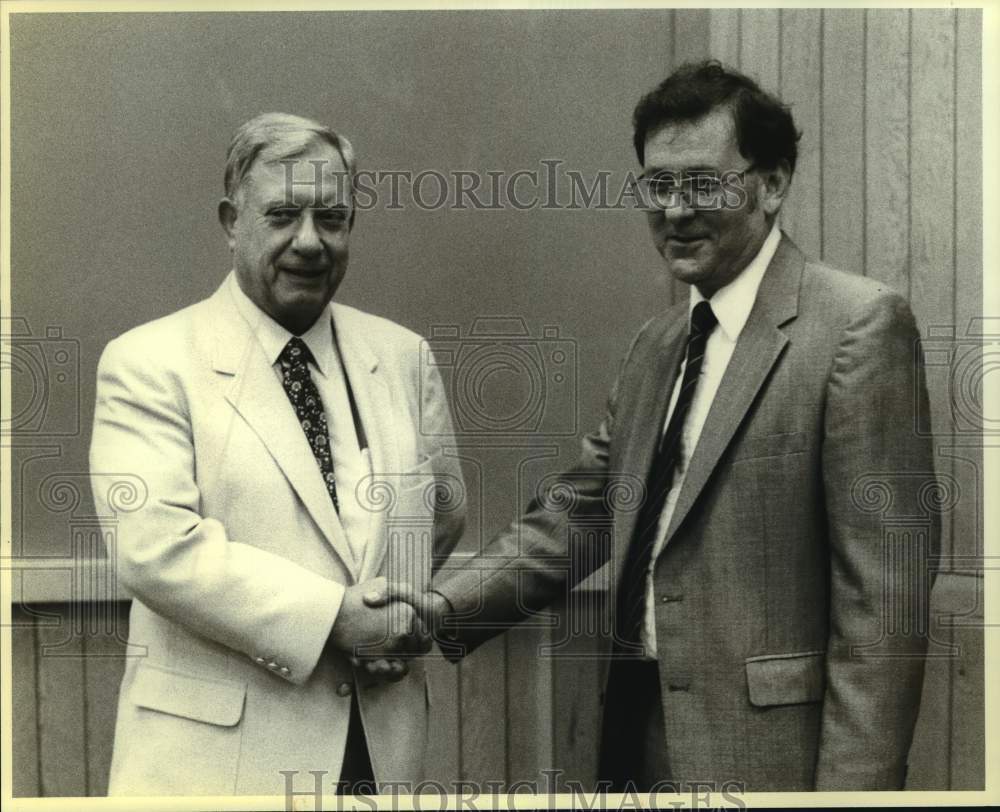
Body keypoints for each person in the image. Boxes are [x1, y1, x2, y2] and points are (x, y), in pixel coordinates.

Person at [380, 61, 939, 792]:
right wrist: (443, 607)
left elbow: (883, 610)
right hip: (635, 730)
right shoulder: (658, 344)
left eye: (704, 183)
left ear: (771, 185)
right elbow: (581, 513)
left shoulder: (859, 327)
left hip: (775, 764)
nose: (676, 209)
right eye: (658, 185)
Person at [89, 112, 464, 796]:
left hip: (379, 753)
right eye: (284, 215)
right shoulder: (148, 362)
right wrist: (338, 620)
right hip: (214, 769)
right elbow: (155, 548)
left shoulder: (402, 356)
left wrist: (392, 617)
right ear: (232, 221)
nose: (310, 242)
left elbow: (438, 509)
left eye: (333, 218)